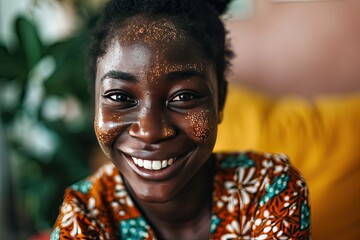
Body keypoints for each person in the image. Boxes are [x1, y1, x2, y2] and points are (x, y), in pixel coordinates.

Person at [51, 0, 310, 239]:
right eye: (120, 97)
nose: (150, 131)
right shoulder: (84, 216)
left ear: (220, 101)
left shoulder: (269, 187)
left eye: (183, 96)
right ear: (95, 104)